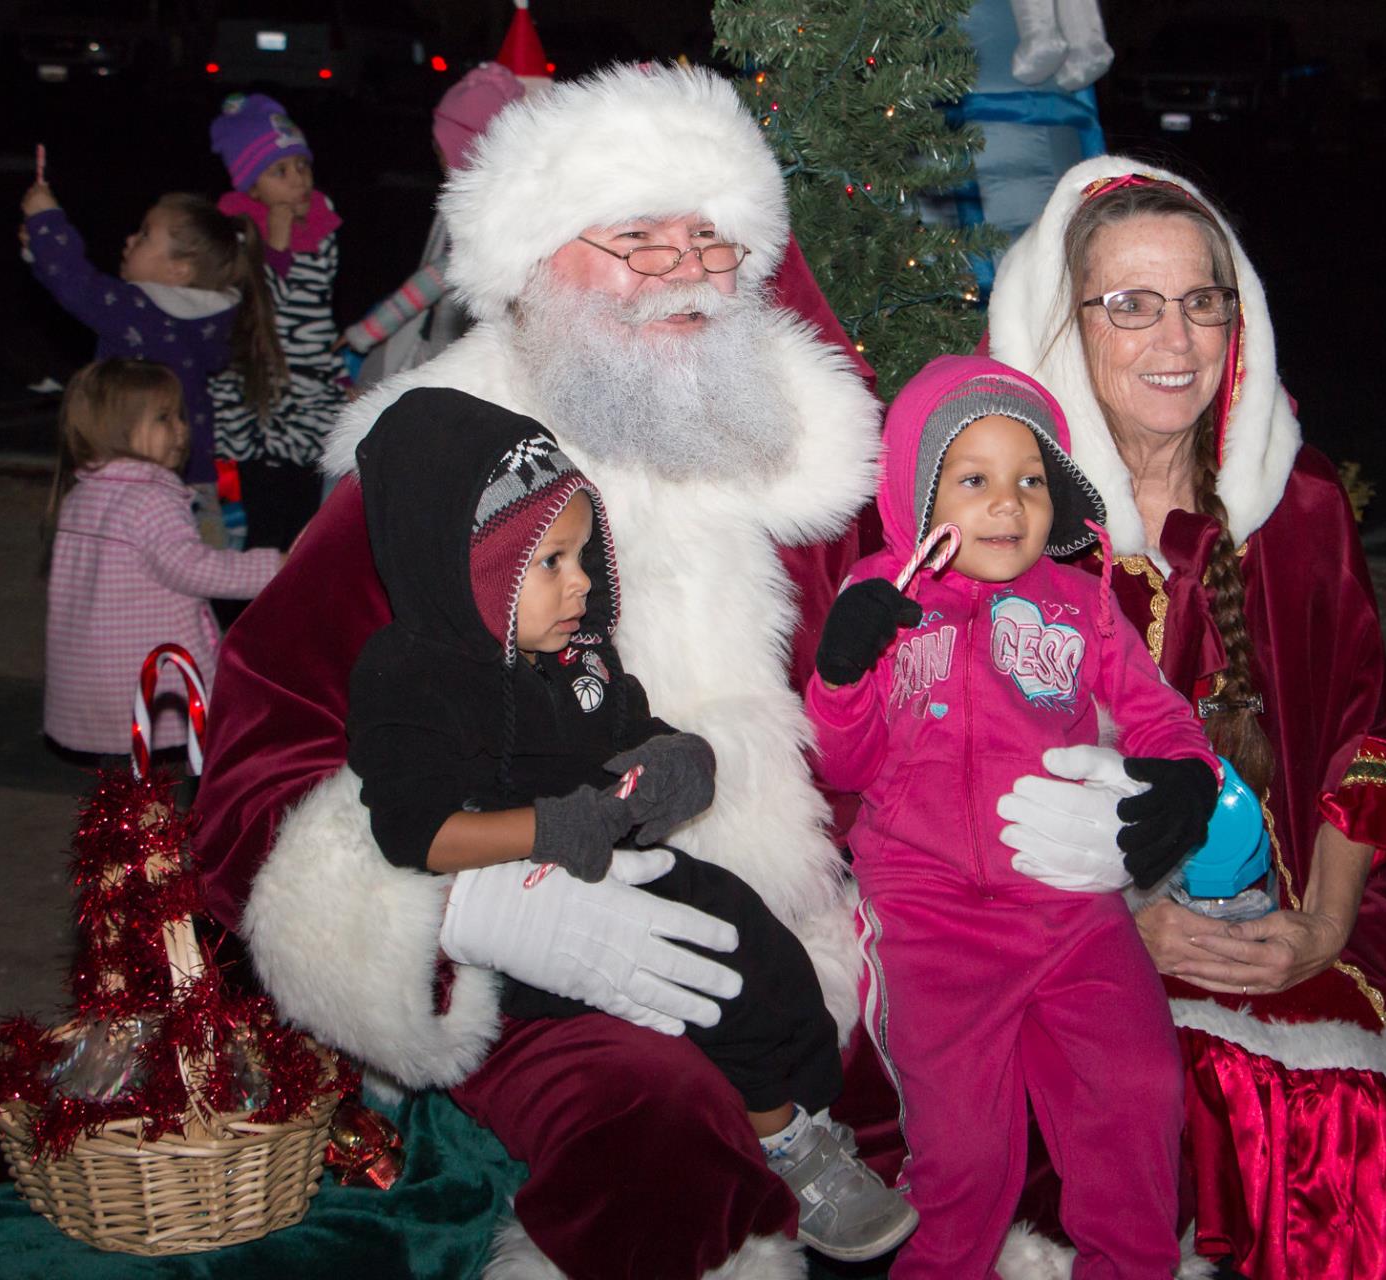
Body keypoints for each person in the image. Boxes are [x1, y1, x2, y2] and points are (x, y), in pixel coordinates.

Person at [188, 64, 889, 1278]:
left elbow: (906, 702)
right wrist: (478, 902)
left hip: (816, 926)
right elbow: (260, 761)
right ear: (537, 261)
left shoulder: (805, 457)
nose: (683, 268)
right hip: (541, 955)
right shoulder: (438, 467)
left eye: (710, 239)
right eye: (636, 238)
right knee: (660, 1132)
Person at [980, 157, 1386, 1278]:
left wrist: (1326, 917)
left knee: (1376, 1108)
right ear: (1062, 328)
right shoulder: (1002, 527)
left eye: (1203, 299)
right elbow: (952, 790)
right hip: (1057, 933)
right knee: (1203, 1107)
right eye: (1131, 303)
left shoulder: (1296, 505)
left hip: (1289, 904)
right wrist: (1120, 927)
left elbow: (1374, 734)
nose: (1177, 340)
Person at [345, 388, 916, 1261]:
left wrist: (674, 760)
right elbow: (415, 834)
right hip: (510, 911)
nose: (580, 583)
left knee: (754, 942)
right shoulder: (410, 676)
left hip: (608, 859)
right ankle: (786, 1141)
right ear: (464, 563)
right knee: (712, 982)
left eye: (582, 556)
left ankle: (802, 1110)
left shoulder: (575, 658)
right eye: (548, 563)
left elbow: (627, 732)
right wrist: (547, 827)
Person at [807, 355, 1218, 1276]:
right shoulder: (881, 598)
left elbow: (1156, 712)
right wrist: (839, 676)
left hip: (1070, 910)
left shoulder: (1080, 603)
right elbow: (845, 762)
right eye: (975, 480)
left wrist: (1185, 778)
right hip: (929, 916)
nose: (1009, 504)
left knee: (1139, 1093)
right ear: (919, 493)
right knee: (965, 1155)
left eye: (1031, 480)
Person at [43, 359, 282, 757]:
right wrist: (276, 566)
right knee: (178, 781)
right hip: (155, 680)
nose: (182, 428)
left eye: (180, 416)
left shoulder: (82, 495)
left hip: (93, 678)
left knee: (125, 788)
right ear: (118, 427)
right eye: (164, 417)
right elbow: (192, 568)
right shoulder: (150, 497)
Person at [19, 181, 271, 494]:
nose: (129, 240)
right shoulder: (205, 321)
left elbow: (76, 285)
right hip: (196, 477)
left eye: (144, 235)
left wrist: (46, 218)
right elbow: (70, 285)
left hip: (134, 477)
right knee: (197, 543)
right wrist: (39, 250)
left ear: (180, 270)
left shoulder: (143, 313)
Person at [205, 92, 348, 552]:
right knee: (260, 520)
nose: (298, 180)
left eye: (302, 167)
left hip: (307, 397)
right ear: (251, 187)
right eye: (280, 172)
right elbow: (263, 311)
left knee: (303, 518)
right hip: (259, 402)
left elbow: (314, 312)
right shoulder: (237, 233)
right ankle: (246, 608)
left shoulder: (320, 228)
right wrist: (276, 249)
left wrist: (337, 375)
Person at [342, 62, 525, 388]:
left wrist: (367, 331)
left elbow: (436, 277)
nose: (435, 153)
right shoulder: (474, 195)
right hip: (446, 338)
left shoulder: (482, 210)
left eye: (441, 146)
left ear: (465, 148)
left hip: (456, 347)